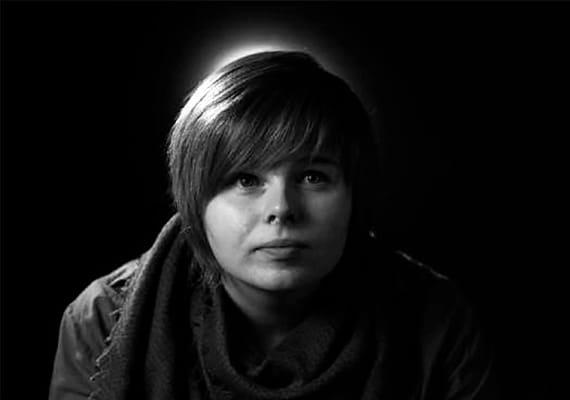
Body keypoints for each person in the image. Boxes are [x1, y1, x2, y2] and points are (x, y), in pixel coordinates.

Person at [49, 51, 496, 399]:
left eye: (313, 177)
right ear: (194, 201)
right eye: (246, 180)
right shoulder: (103, 317)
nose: (281, 208)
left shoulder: (436, 319)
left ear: (354, 195)